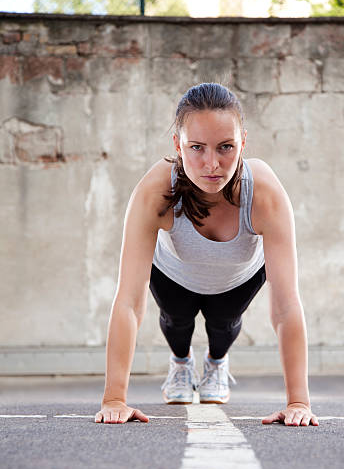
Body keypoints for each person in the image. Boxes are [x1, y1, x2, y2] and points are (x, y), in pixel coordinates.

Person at [95, 82, 319, 428]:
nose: (211, 164)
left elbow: (286, 304)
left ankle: (216, 363)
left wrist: (298, 402)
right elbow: (128, 300)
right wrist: (114, 399)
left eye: (225, 147)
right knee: (176, 323)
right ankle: (181, 364)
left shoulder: (265, 194)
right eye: (196, 147)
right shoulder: (156, 189)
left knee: (224, 327)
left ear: (243, 142)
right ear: (177, 145)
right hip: (174, 273)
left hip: (238, 276)